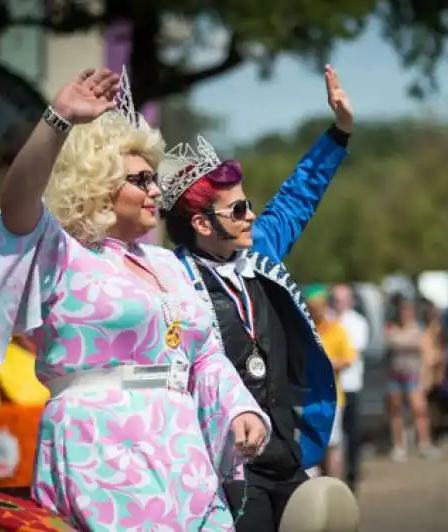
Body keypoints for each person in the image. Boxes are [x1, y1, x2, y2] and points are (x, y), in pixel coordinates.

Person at [0, 67, 269, 530]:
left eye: (155, 179)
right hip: (102, 447)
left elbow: (204, 355)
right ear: (98, 184)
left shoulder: (170, 264)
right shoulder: (62, 253)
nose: (156, 190)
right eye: (140, 180)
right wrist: (58, 120)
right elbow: (16, 206)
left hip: (183, 452)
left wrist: (238, 408)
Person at [158, 64, 354, 532]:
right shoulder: (172, 279)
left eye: (249, 205)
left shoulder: (259, 251)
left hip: (287, 453)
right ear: (203, 224)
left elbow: (297, 196)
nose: (252, 216)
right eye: (239, 209)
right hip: (225, 469)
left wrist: (340, 131)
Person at [305, 284, 357, 480]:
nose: (315, 310)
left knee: (333, 445)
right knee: (312, 445)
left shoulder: (336, 329)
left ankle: (336, 487)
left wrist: (328, 364)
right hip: (307, 399)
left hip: (331, 399)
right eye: (311, 306)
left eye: (318, 306)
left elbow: (349, 358)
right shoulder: (304, 329)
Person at [385, 297, 439, 462]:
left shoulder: (419, 330)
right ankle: (398, 446)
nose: (405, 314)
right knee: (396, 412)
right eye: (402, 311)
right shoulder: (392, 329)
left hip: (413, 376)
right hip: (395, 376)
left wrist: (427, 376)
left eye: (408, 311)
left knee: (419, 410)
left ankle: (424, 444)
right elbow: (389, 343)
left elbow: (428, 353)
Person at [330, 284, 370, 491]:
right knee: (332, 437)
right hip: (332, 387)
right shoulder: (328, 320)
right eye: (335, 298)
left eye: (341, 299)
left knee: (351, 432)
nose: (337, 303)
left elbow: (351, 353)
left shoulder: (357, 322)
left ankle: (353, 474)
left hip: (350, 385)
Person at [419, 299, 446, 445]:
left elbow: (441, 352)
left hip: (433, 374)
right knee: (426, 406)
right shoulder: (425, 331)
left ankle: (434, 433)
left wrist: (440, 372)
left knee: (433, 406)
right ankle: (427, 434)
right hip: (426, 373)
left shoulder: (436, 329)